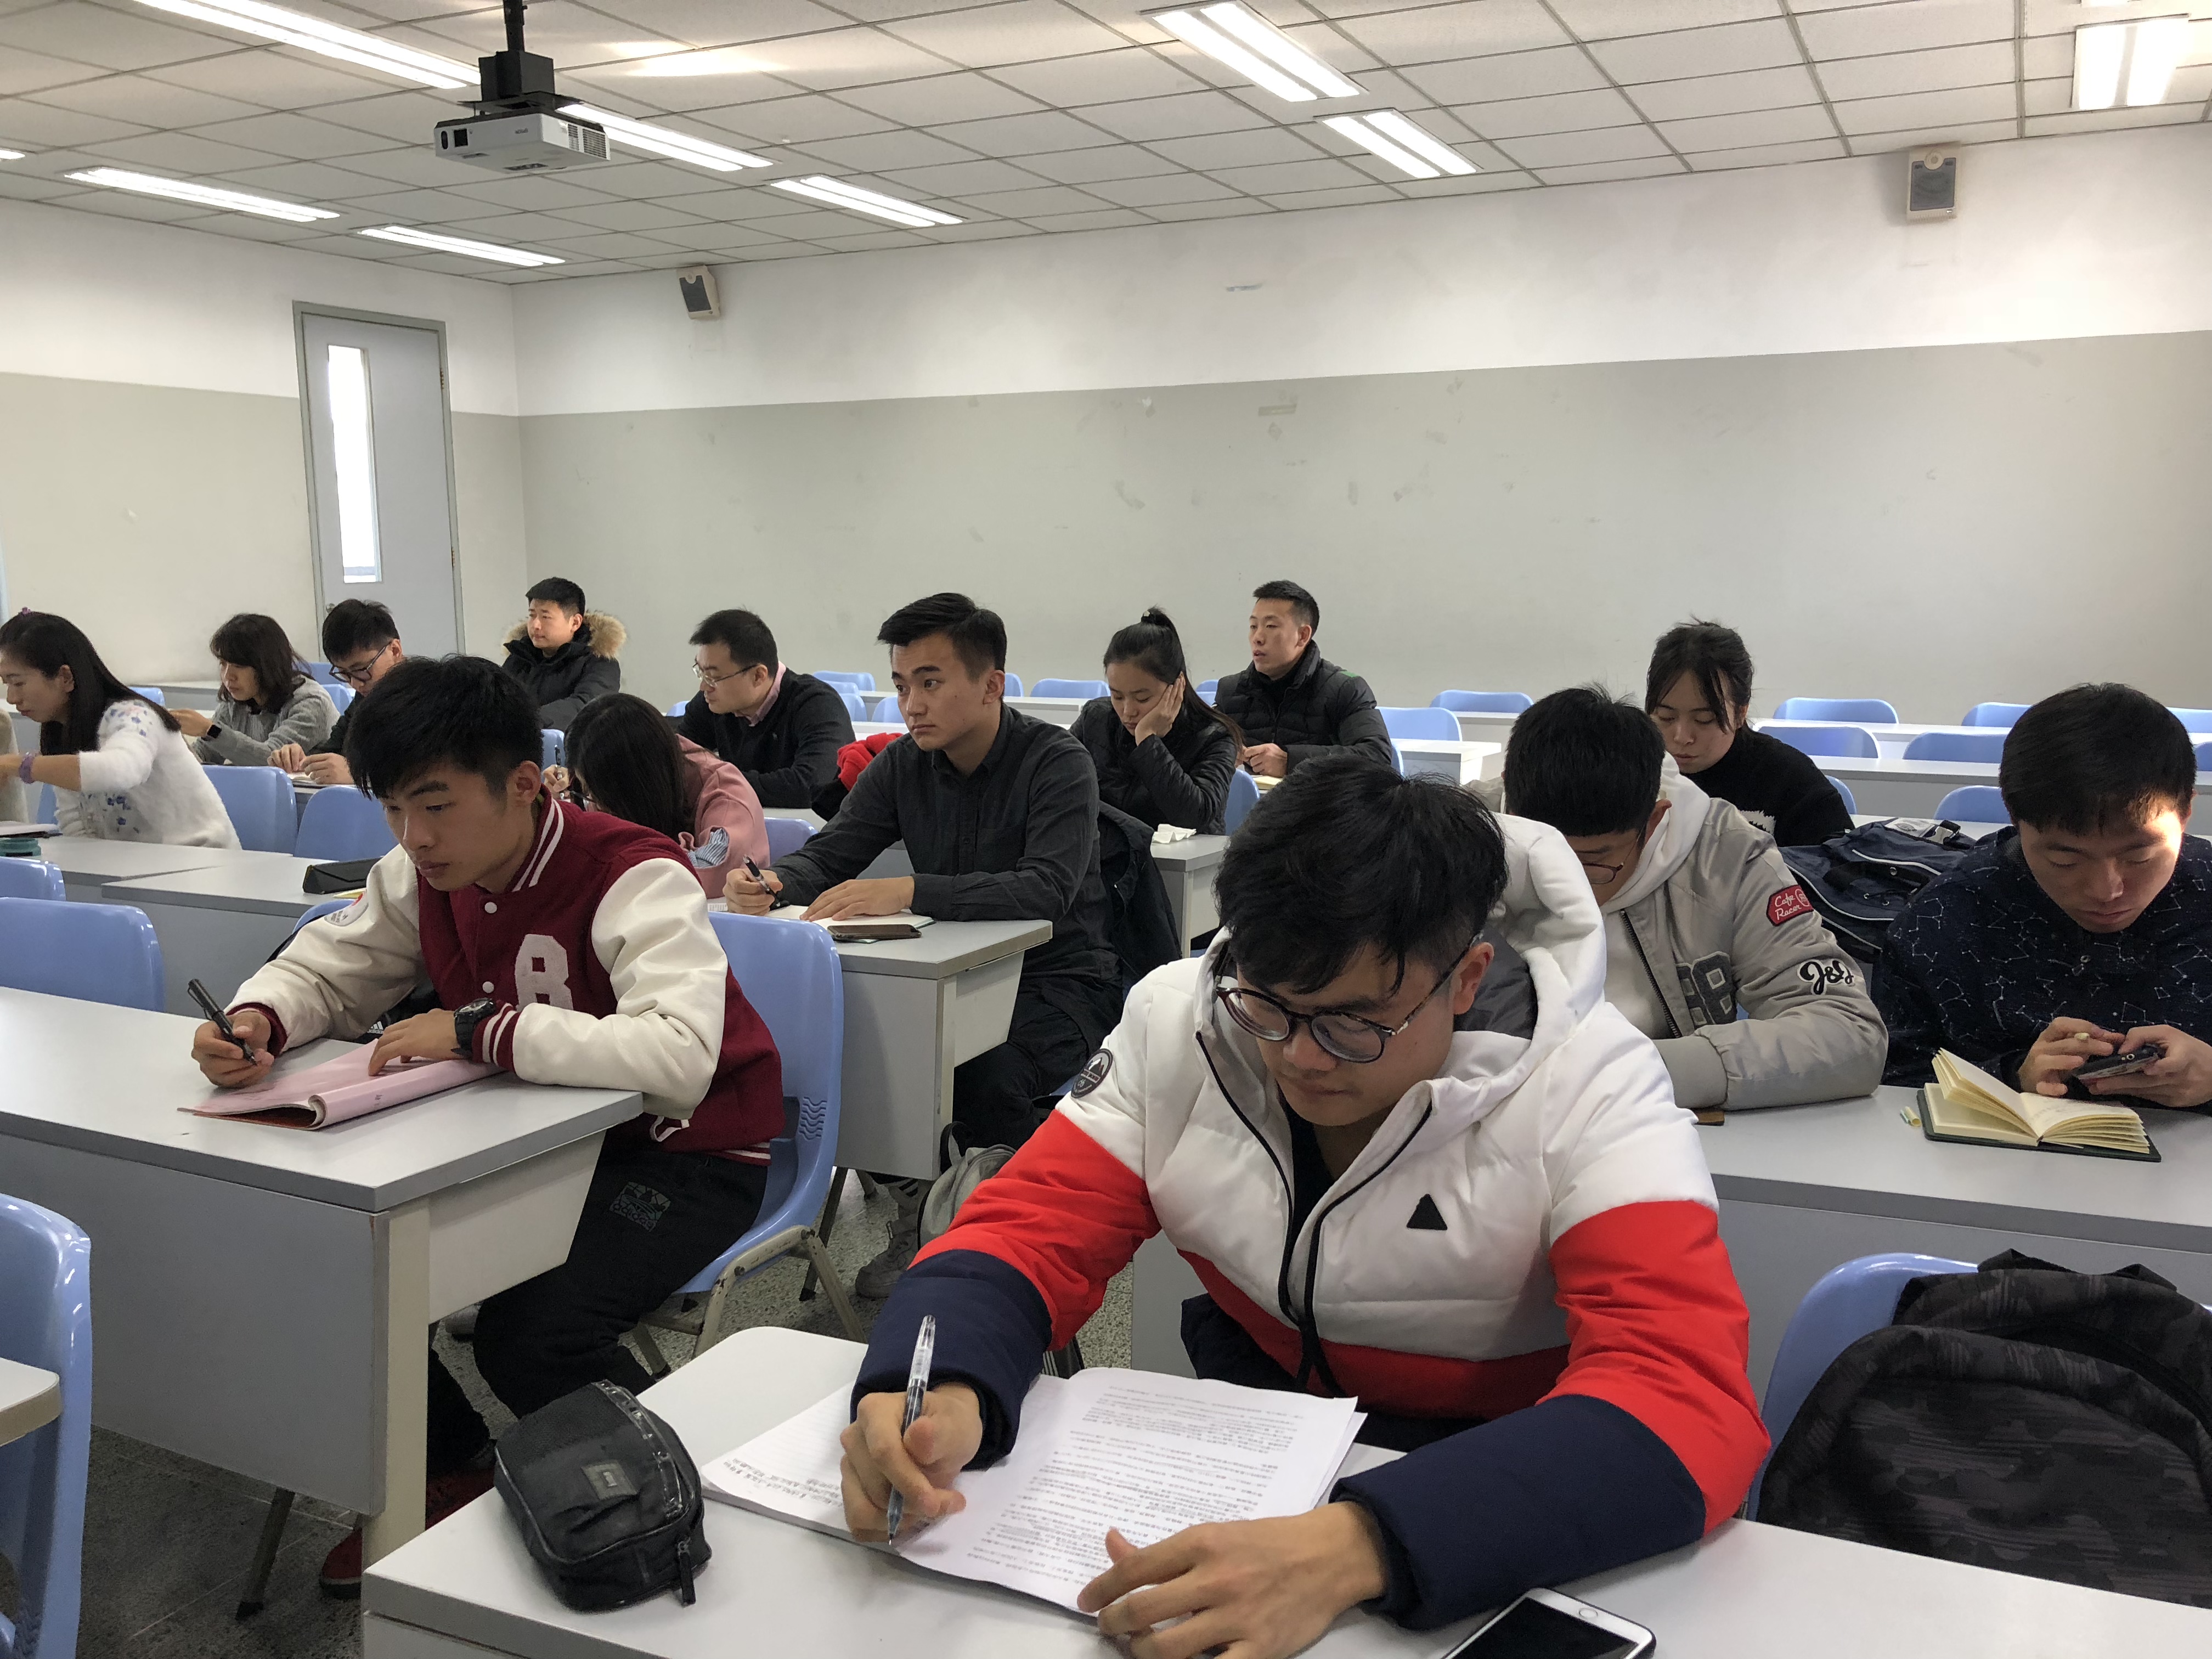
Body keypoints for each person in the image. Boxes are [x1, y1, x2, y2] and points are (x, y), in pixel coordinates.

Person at [837, 757, 1765, 1649]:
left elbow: (1685, 1396)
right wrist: (939, 1382)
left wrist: (1361, 1541)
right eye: (1271, 1005)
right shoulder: (1183, 1017)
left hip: (1504, 1471)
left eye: (1356, 1020)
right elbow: (1029, 1230)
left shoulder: (1594, 1080)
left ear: (1467, 977)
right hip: (1256, 1438)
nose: (1301, 1057)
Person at [190, 655, 785, 1595]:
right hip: (527, 1145)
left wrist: (480, 1029)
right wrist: (261, 1016)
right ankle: (456, 1468)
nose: (414, 836)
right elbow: (329, 968)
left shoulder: (633, 871)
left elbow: (678, 1056)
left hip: (686, 1155)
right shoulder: (424, 871)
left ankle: (675, 1494)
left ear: (523, 784)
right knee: (343, 1268)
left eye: (435, 805)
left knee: (531, 1333)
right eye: (393, 808)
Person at [725, 592, 1122, 1297]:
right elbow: (833, 852)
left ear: (991, 684)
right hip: (943, 980)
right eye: (903, 685)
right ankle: (922, 1211)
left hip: (1058, 982)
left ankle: (1002, 1235)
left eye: (931, 683)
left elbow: (1046, 889)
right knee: (863, 1064)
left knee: (983, 1076)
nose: (912, 705)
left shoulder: (1057, 762)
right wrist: (774, 881)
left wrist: (910, 890)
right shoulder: (903, 765)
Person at [1497, 687, 1883, 1111]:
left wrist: (1629, 1073)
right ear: (1510, 815)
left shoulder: (1725, 855)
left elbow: (1850, 1032)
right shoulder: (1462, 836)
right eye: (1543, 859)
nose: (1564, 885)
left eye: (1593, 863)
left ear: (1654, 821)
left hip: (1656, 1105)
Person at [1878, 684, 2212, 1108]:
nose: (2107, 891)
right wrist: (2010, 1079)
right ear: (2015, 819)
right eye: (2065, 860)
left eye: (2139, 857)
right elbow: (1890, 1079)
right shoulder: (1944, 920)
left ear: (2186, 812)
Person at [0, 611, 238, 847]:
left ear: (65, 677)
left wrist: (20, 765)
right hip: (137, 863)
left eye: (18, 683)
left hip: (203, 859)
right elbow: (76, 824)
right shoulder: (61, 732)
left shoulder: (134, 715)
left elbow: (121, 771)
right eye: (6, 684)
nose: (11, 698)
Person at [1644, 620, 1850, 848]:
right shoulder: (1633, 768)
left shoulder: (1789, 781)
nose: (1682, 737)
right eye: (1666, 717)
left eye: (1704, 719)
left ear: (1740, 714)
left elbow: (1838, 863)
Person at [564, 692, 768, 898]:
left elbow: (703, 872)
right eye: (588, 791)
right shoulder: (638, 777)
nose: (597, 806)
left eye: (600, 795)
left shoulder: (726, 795)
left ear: (634, 785)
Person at [1069, 608, 1239, 835]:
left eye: (1142, 698)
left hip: (1188, 858)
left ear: (1177, 686)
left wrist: (1148, 741)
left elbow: (1196, 817)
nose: (1128, 711)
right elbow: (1057, 778)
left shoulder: (1214, 736)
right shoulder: (1096, 718)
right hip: (1110, 853)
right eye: (1117, 696)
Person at [1213, 580, 1392, 779]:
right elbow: (1198, 745)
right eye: (1253, 626)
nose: (1257, 637)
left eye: (1271, 626)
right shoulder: (1231, 690)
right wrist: (1220, 751)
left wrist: (1291, 761)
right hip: (1247, 798)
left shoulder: (1345, 688)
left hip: (1316, 798)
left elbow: (1377, 756)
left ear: (1303, 635)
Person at [678, 608, 853, 808]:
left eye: (714, 677)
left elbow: (808, 785)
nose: (704, 687)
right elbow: (675, 761)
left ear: (758, 676)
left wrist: (716, 780)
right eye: (701, 673)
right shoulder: (713, 703)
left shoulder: (817, 705)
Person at [174, 613, 336, 768]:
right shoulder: (235, 702)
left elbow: (272, 761)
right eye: (223, 663)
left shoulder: (312, 703)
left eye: (239, 666)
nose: (228, 676)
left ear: (266, 665)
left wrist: (211, 731)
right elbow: (202, 756)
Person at [269, 599, 402, 785]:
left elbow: (427, 774)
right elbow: (334, 750)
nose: (355, 683)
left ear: (395, 651)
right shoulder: (365, 697)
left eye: (361, 670)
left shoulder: (430, 698)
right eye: (344, 673)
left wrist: (358, 776)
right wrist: (301, 761)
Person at [500, 577, 622, 732]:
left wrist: (527, 722)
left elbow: (585, 705)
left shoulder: (600, 663)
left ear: (575, 623)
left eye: (546, 617)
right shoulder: (519, 657)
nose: (536, 625)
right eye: (532, 615)